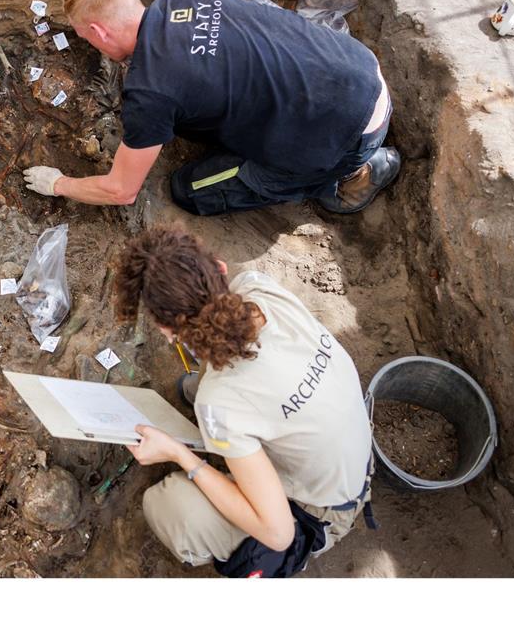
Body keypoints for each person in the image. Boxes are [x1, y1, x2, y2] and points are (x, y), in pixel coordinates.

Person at [22, 0, 400, 216]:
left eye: (88, 38)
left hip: (348, 137)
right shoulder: (179, 2)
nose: (93, 46)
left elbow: (122, 190)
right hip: (360, 72)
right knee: (202, 122)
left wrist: (58, 184)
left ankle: (354, 176)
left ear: (100, 32)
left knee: (189, 190)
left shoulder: (151, 92)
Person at [114, 224, 374, 577]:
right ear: (220, 268)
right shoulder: (257, 287)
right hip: (347, 455)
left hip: (323, 509)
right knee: (211, 395)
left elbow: (278, 534)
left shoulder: (220, 403)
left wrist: (181, 456)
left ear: (167, 329)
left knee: (169, 507)